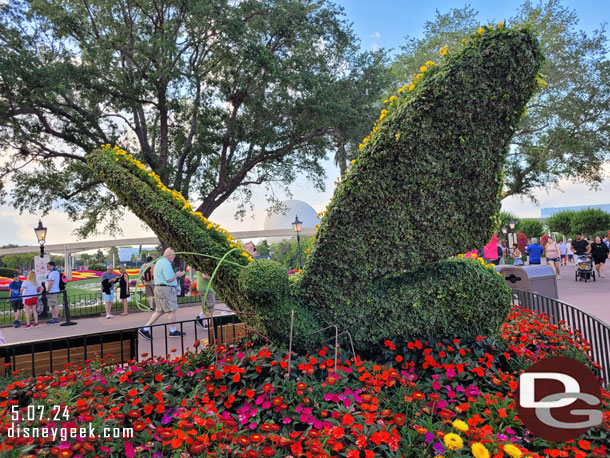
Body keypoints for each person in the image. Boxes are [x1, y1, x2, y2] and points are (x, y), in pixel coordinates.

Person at [138, 248, 186, 340]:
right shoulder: (166, 263)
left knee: (160, 310)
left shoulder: (160, 262)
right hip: (166, 289)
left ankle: (145, 328)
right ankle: (173, 331)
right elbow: (169, 278)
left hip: (160, 288)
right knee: (172, 309)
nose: (174, 257)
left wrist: (175, 275)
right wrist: (178, 275)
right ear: (168, 254)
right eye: (173, 255)